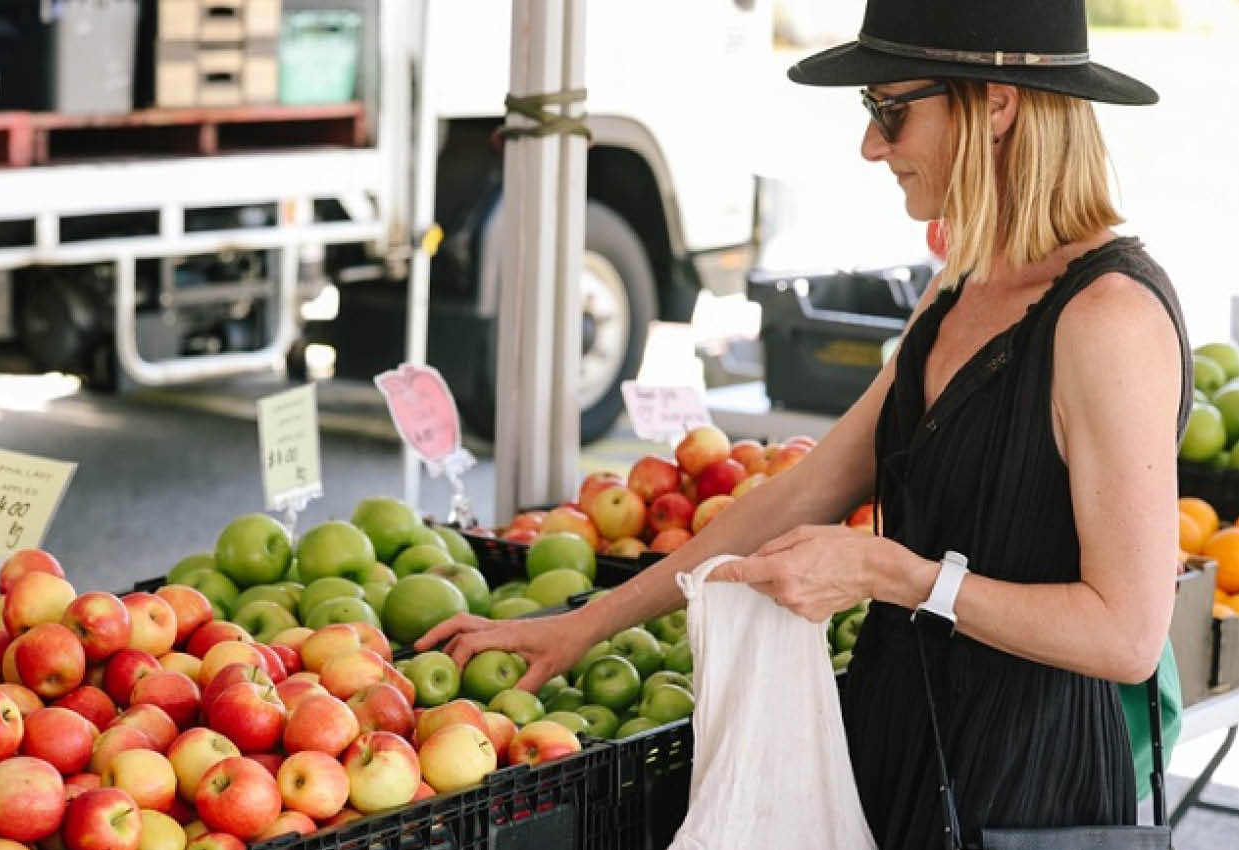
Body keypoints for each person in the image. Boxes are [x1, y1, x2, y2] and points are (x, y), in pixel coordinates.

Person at [417, 1, 1193, 846]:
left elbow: (1125, 635)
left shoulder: (1107, 317)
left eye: (890, 111)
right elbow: (811, 488)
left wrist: (897, 575)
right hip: (887, 738)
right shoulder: (957, 285)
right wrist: (581, 624)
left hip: (1028, 787)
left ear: (995, 104)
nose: (871, 146)